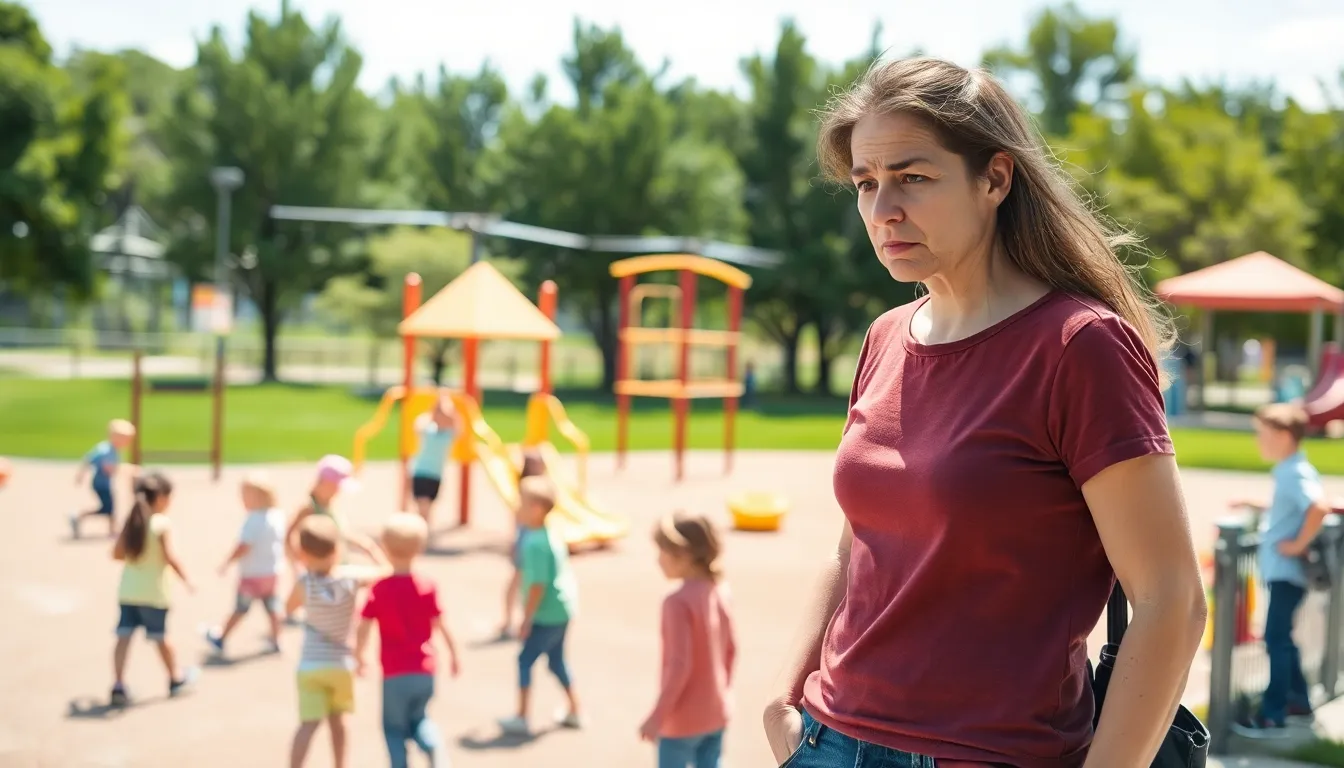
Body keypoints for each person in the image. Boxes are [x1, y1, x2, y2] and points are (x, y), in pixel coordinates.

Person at [763, 57, 1206, 767]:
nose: (883, 211)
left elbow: (1172, 602)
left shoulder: (1078, 346)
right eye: (866, 185)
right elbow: (854, 548)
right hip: (827, 741)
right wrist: (784, 700)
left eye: (912, 177)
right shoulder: (884, 338)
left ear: (995, 178)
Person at [1231, 403, 1330, 733]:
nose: (1259, 441)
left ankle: (1272, 714)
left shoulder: (1293, 472)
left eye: (1265, 435)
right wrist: (1256, 505)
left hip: (1287, 573)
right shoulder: (1291, 468)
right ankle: (1299, 701)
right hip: (1284, 573)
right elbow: (1292, 507)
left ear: (1286, 436)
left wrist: (1297, 545)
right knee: (1282, 638)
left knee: (1275, 639)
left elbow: (1317, 507)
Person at [355, 512, 462, 768]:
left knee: (393, 729)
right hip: (424, 670)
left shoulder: (379, 589)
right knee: (420, 720)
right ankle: (434, 748)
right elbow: (441, 625)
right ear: (420, 548)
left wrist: (359, 655)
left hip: (394, 673)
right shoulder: (426, 586)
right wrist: (454, 655)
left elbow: (364, 626)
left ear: (385, 548)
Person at [285, 515, 388, 768]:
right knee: (339, 723)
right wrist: (369, 548)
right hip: (341, 664)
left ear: (303, 554)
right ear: (337, 550)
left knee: (308, 724)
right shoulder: (350, 579)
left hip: (310, 665)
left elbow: (289, 609)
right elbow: (386, 572)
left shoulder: (304, 583)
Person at [640, 512, 737, 768]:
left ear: (682, 556)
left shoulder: (676, 603)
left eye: (661, 552)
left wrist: (657, 716)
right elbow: (731, 650)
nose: (657, 560)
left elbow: (679, 666)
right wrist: (723, 694)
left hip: (682, 720)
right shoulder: (720, 591)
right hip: (715, 711)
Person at [497, 475, 581, 736]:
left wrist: (526, 618)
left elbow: (537, 586)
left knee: (524, 660)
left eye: (520, 503)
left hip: (546, 614)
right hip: (562, 609)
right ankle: (575, 709)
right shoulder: (548, 534)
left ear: (535, 509)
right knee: (556, 661)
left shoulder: (534, 544)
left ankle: (522, 716)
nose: (516, 509)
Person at [109, 472, 197, 706]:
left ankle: (118, 685)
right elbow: (170, 557)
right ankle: (175, 678)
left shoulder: (132, 521)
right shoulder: (160, 523)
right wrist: (187, 580)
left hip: (128, 591)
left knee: (123, 638)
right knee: (160, 638)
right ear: (160, 498)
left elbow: (116, 554)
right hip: (154, 593)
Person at [206, 472, 287, 656]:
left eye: (244, 496)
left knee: (240, 608)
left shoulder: (253, 520)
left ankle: (221, 636)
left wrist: (226, 562)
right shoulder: (277, 516)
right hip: (272, 572)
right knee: (272, 607)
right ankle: (277, 639)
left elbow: (244, 546)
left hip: (252, 574)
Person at [499, 448, 549, 638]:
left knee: (534, 581)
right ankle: (509, 618)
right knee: (519, 579)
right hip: (525, 536)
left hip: (534, 535)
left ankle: (527, 618)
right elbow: (517, 513)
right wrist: (514, 540)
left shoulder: (541, 485)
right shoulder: (527, 487)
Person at [70, 419, 137, 539]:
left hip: (105, 483)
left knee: (111, 506)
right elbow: (108, 468)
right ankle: (78, 516)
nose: (127, 443)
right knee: (107, 508)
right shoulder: (106, 450)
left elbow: (89, 459)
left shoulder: (111, 450)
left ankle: (113, 529)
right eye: (125, 439)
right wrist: (127, 469)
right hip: (100, 484)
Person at [408, 394, 462, 528]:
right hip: (421, 471)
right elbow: (419, 424)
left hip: (436, 474)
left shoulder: (448, 434)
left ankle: (421, 530)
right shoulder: (428, 429)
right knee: (423, 505)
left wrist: (448, 408)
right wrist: (436, 408)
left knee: (428, 506)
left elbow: (459, 425)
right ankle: (420, 531)